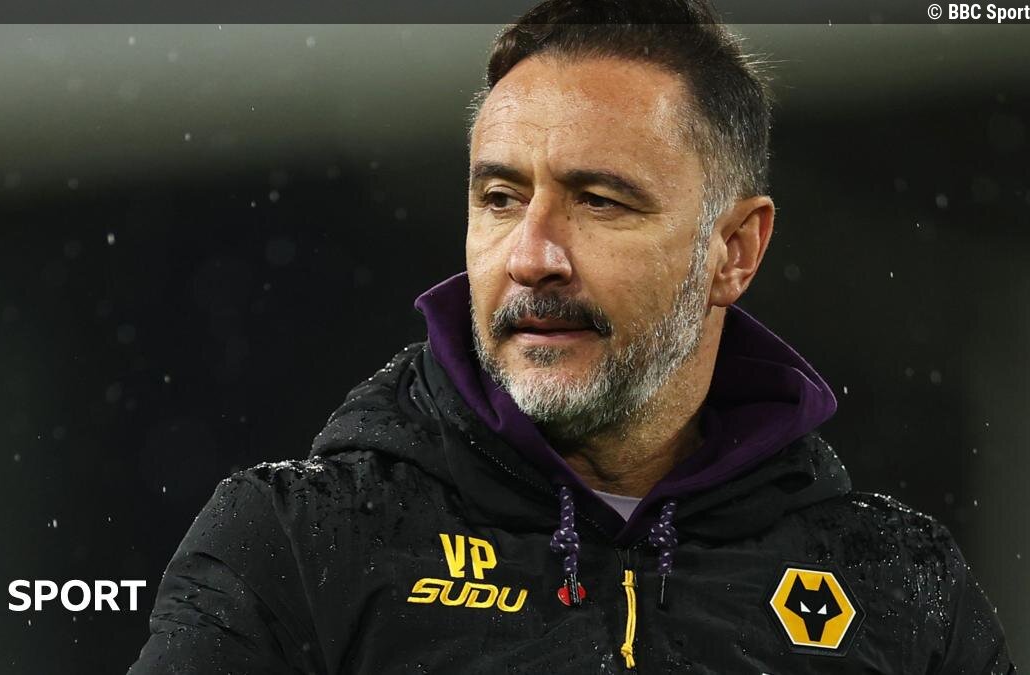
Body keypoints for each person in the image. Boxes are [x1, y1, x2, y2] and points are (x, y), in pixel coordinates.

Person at [128, 0, 1014, 671]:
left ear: (735, 250)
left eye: (599, 201)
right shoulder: (297, 543)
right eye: (500, 198)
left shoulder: (897, 586)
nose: (532, 256)